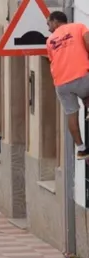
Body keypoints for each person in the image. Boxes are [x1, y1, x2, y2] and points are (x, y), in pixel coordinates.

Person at [46, 12, 89, 159]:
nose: (48, 28)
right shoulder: (79, 27)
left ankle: (81, 150)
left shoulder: (50, 40)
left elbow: (52, 60)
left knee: (71, 114)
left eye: (48, 24)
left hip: (61, 83)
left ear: (55, 21)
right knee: (85, 91)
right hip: (81, 75)